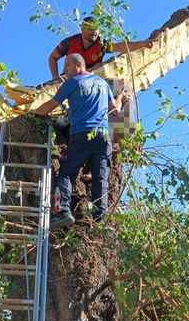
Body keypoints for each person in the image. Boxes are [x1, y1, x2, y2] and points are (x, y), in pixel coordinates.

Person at [34, 53, 130, 229]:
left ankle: (63, 212)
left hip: (81, 135)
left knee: (67, 173)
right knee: (101, 178)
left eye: (67, 67)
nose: (65, 71)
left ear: (78, 65)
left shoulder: (73, 82)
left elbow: (51, 105)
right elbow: (115, 110)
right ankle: (99, 220)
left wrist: (32, 112)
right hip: (102, 137)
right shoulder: (102, 83)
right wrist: (121, 98)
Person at [48, 16, 155, 80]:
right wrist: (55, 77)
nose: (94, 31)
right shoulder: (70, 42)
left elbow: (121, 47)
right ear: (83, 29)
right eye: (90, 28)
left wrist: (142, 44)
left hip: (93, 77)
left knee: (119, 87)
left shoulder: (101, 44)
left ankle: (119, 117)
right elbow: (52, 58)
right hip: (71, 77)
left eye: (96, 28)